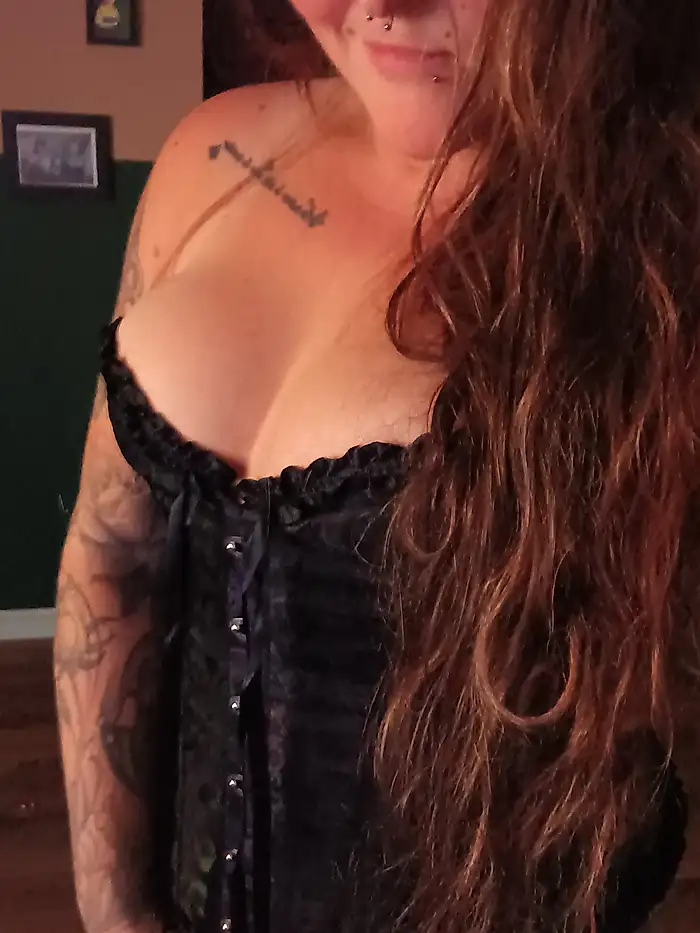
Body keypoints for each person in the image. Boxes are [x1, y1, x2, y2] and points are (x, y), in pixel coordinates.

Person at [53, 1, 700, 932]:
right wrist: (114, 910)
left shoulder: (665, 251)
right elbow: (111, 551)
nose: (389, 6)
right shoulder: (212, 155)